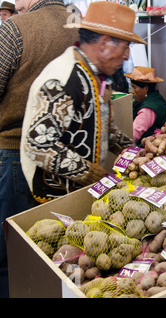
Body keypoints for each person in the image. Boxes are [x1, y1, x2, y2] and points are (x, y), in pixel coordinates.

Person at [20, 2, 146, 202]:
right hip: (55, 195)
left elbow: (104, 128)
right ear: (104, 43)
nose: (127, 55)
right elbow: (38, 146)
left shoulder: (97, 76)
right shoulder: (64, 80)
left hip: (79, 190)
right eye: (125, 46)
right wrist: (90, 173)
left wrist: (134, 152)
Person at [0, 0, 78, 298]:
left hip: (17, 155)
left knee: (12, 252)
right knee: (60, 250)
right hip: (70, 157)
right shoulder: (81, 27)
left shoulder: (15, 30)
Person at [124, 66, 166, 147]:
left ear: (146, 88)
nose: (132, 91)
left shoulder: (148, 109)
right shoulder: (157, 98)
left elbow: (133, 134)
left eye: (134, 87)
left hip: (152, 147)